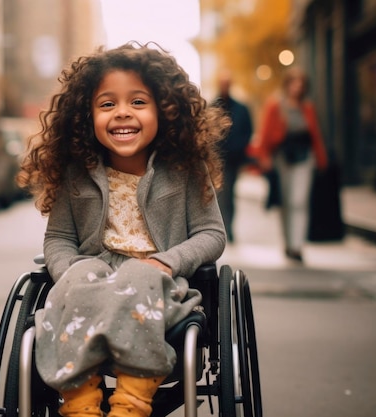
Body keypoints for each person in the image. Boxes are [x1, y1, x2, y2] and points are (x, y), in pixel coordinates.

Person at [17, 43, 229, 417]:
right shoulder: (76, 173)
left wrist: (167, 262)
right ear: (87, 117)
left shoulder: (185, 169)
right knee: (79, 273)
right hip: (91, 285)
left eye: (138, 102)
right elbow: (59, 239)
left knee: (138, 273)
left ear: (165, 112)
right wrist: (69, 271)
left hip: (161, 287)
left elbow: (211, 235)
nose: (122, 114)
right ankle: (80, 405)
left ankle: (131, 405)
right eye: (107, 104)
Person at [253, 66, 328, 262]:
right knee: (286, 202)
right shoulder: (276, 105)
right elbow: (266, 133)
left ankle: (297, 245)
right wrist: (264, 157)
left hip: (305, 157)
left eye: (301, 84)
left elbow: (315, 135)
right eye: (294, 83)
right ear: (287, 85)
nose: (297, 88)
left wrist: (322, 159)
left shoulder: (308, 107)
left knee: (299, 201)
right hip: (283, 158)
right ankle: (288, 242)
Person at [212, 70, 253, 243]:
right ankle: (222, 228)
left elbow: (248, 131)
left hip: (233, 158)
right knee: (221, 194)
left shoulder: (241, 108)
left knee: (229, 194)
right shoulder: (212, 106)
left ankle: (227, 228)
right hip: (216, 159)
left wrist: (239, 148)